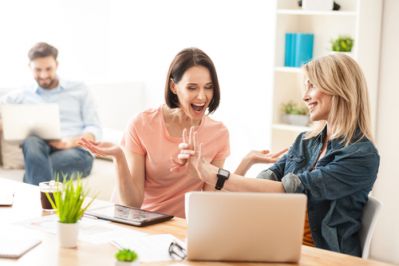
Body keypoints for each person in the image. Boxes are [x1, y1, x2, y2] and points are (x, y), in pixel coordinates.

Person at [175, 54, 380, 257]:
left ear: (338, 89)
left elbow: (290, 190)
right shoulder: (305, 141)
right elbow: (267, 181)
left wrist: (214, 175)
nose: (305, 96)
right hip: (280, 247)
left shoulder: (361, 155)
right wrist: (208, 174)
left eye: (312, 86)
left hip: (324, 256)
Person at [80, 48, 231, 218]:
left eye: (208, 87)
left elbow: (209, 203)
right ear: (174, 87)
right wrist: (118, 156)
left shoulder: (219, 133)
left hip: (188, 228)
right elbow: (133, 203)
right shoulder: (142, 124)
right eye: (192, 88)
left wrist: (242, 163)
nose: (202, 97)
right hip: (147, 224)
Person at [0, 42, 101, 185]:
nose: (43, 75)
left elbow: (94, 128)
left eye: (48, 69)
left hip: (76, 152)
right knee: (31, 141)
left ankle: (31, 186)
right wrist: (6, 122)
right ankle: (46, 204)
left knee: (34, 171)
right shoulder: (22, 94)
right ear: (30, 67)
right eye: (38, 70)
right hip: (39, 150)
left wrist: (69, 142)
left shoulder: (79, 89)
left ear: (57, 65)